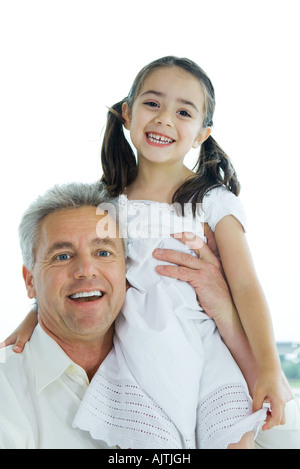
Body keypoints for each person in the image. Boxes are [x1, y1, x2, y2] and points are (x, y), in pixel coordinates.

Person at [0, 181, 266, 449]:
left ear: (127, 272)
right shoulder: (6, 387)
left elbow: (281, 432)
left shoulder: (180, 350)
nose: (86, 270)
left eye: (103, 252)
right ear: (29, 281)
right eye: (62, 256)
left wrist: (226, 314)